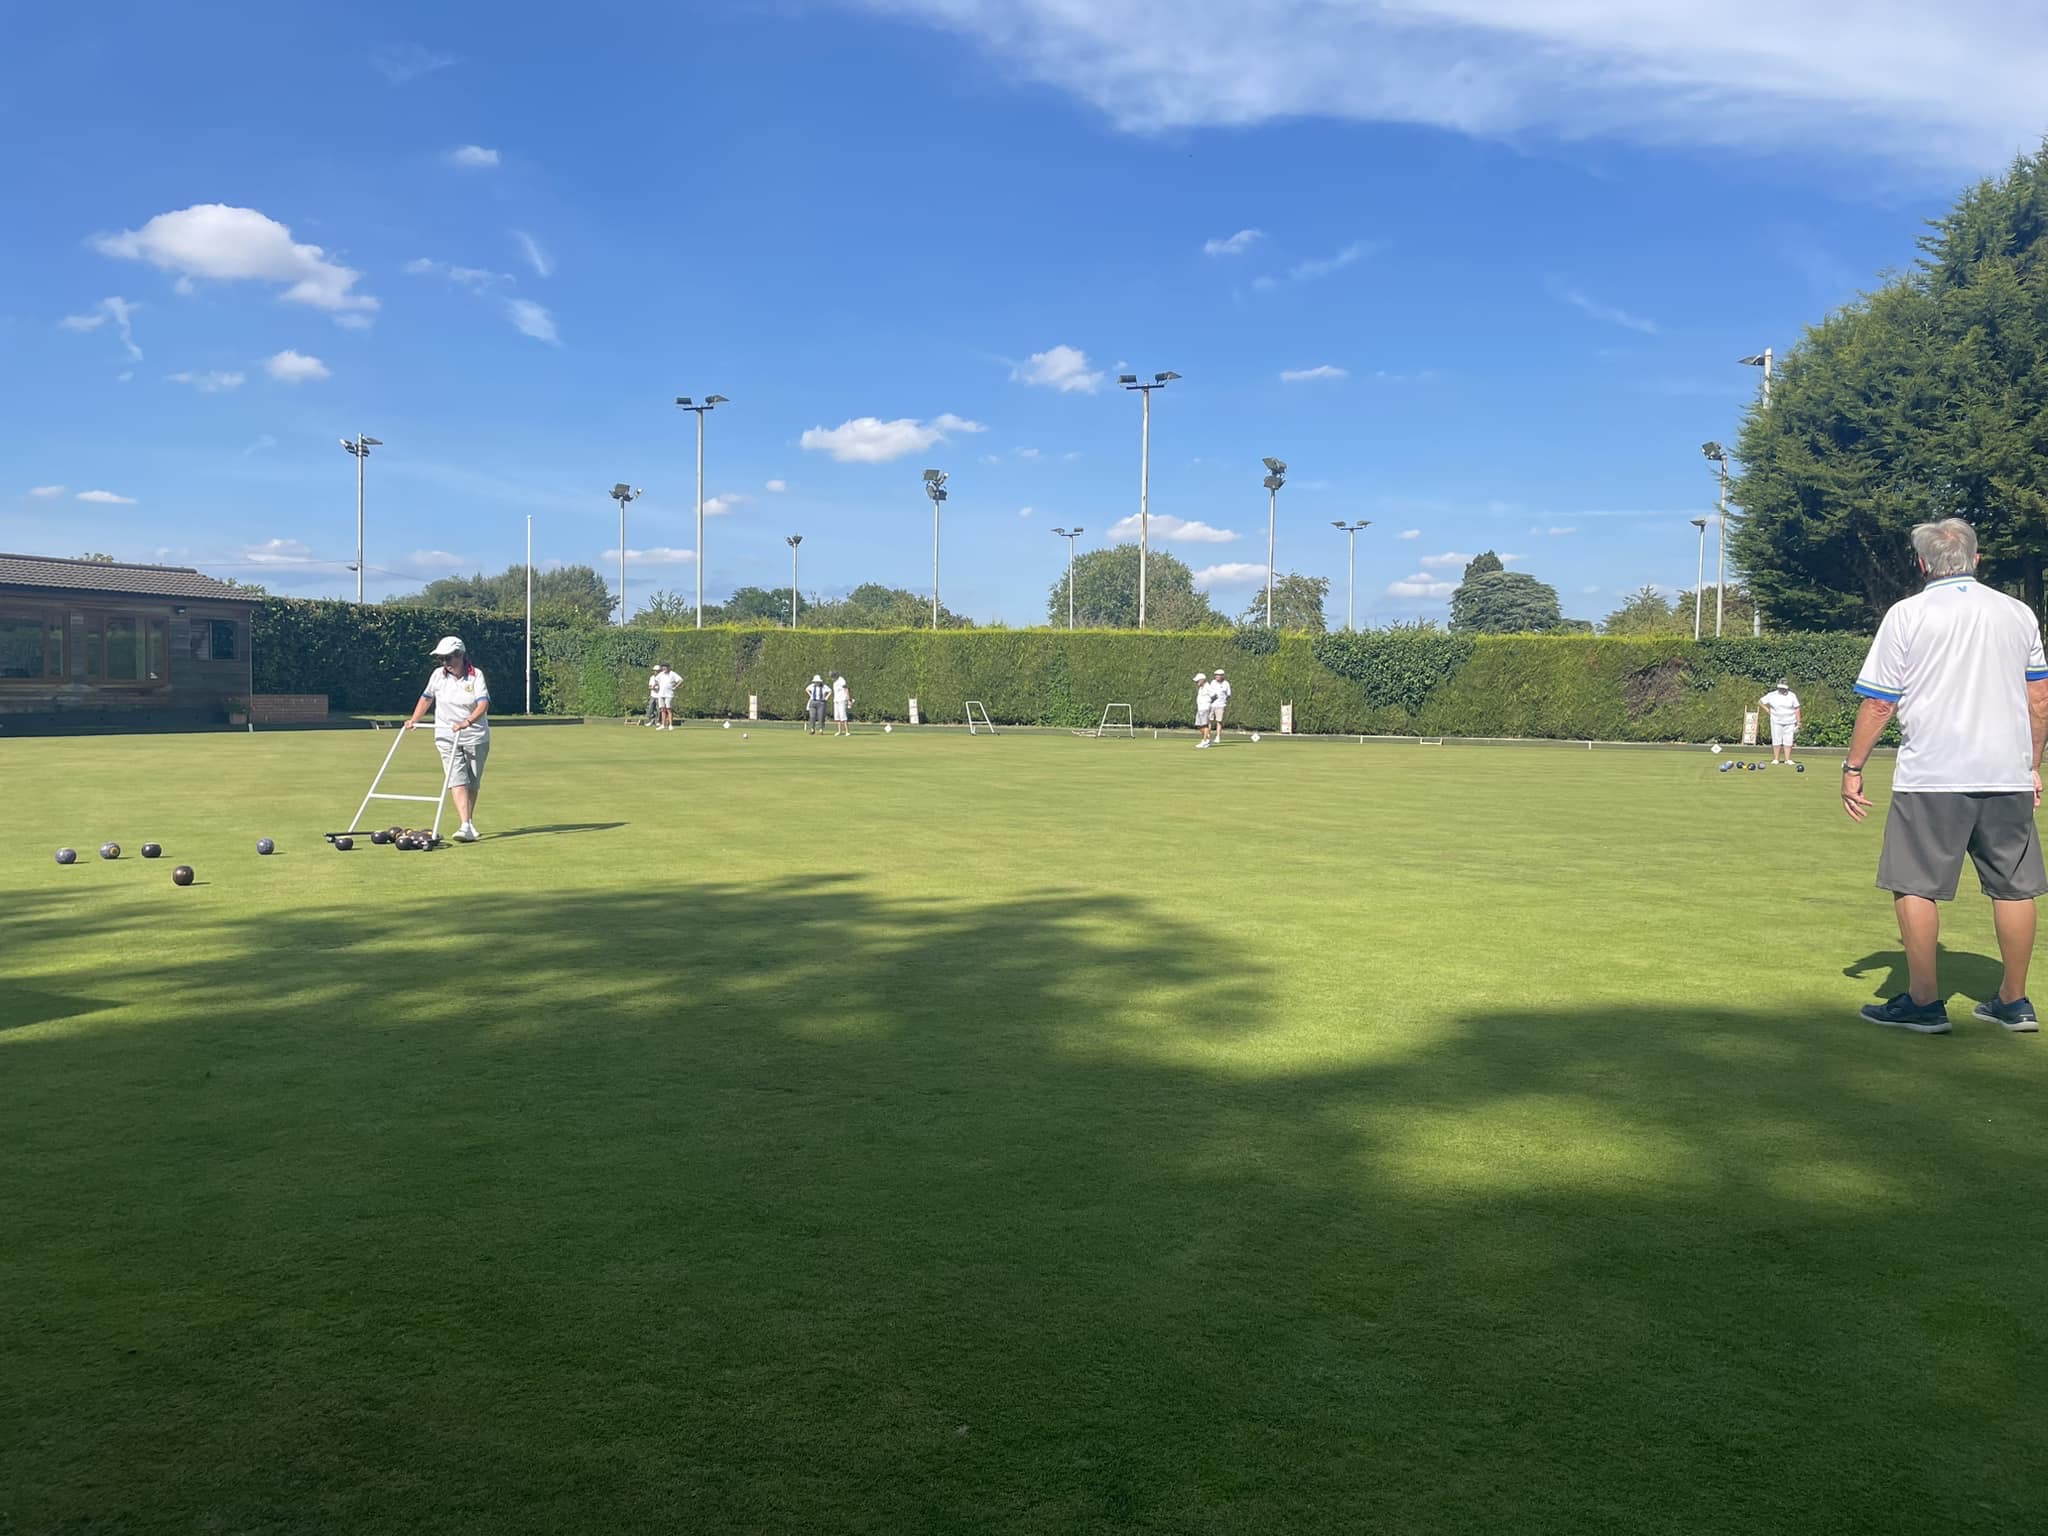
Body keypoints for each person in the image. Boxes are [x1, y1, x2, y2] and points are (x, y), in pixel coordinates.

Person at [1843, 518, 2048, 1033]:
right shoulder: (2019, 613)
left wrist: (1853, 768)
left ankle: (1924, 1002)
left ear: (1922, 563)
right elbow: (2039, 700)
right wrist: (2033, 765)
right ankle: (2014, 1001)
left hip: (1932, 772)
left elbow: (1879, 703)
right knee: (2014, 888)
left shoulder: (1907, 614)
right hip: (2006, 772)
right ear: (1976, 560)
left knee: (1914, 883)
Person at [401, 635, 490, 843]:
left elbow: (483, 704)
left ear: (460, 655)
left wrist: (466, 722)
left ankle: (468, 821)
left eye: (448, 658)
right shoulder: (437, 676)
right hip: (445, 735)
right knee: (456, 778)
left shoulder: (476, 675)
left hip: (474, 735)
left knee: (472, 781)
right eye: (441, 659)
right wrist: (414, 720)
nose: (445, 663)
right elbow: (426, 697)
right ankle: (465, 825)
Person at [1760, 678, 1801, 764]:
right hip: (1776, 720)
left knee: (1788, 740)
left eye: (1783, 688)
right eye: (1780, 688)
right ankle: (1776, 759)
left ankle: (1787, 759)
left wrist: (1798, 721)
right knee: (1776, 739)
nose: (1782, 689)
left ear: (1787, 687)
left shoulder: (1792, 696)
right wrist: (1768, 710)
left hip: (1790, 721)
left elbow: (1797, 708)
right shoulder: (1772, 695)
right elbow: (1761, 702)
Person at [652, 662, 679, 731]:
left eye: (665, 667)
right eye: (663, 667)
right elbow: (656, 680)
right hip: (661, 694)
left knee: (669, 709)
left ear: (668, 667)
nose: (664, 668)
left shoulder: (672, 674)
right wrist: (655, 686)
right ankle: (663, 725)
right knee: (662, 709)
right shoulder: (660, 674)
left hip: (669, 694)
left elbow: (680, 680)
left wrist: (675, 686)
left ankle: (670, 725)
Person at [1210, 667, 1233, 743]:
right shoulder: (1212, 682)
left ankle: (1218, 737)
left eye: (1218, 675)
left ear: (1222, 676)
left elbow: (1229, 695)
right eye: (1216, 675)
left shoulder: (1226, 684)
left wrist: (1224, 701)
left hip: (1221, 705)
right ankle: (1207, 736)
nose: (1216, 676)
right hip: (1212, 705)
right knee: (1209, 720)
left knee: (1219, 721)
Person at [1192, 672, 1211, 747]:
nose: (1197, 682)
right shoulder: (1201, 688)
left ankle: (1205, 741)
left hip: (1205, 708)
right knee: (1199, 725)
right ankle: (1207, 739)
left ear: (1202, 680)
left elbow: (1214, 696)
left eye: (1198, 681)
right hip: (1200, 708)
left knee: (1204, 725)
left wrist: (1208, 704)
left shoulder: (1208, 687)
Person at [831, 672, 852, 737]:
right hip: (836, 700)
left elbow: (846, 689)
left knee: (843, 716)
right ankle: (839, 731)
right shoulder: (834, 682)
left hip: (842, 700)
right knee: (837, 716)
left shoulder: (841, 680)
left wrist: (849, 700)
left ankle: (847, 731)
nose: (831, 679)